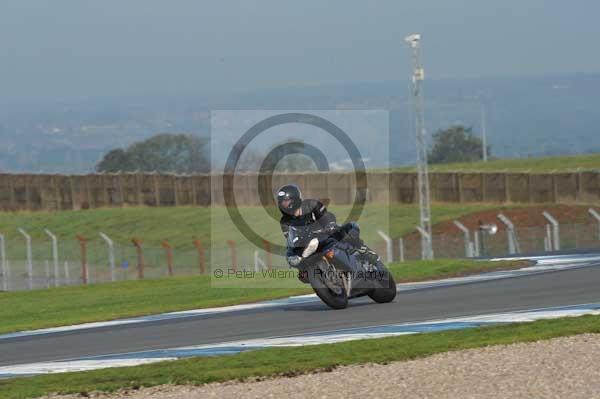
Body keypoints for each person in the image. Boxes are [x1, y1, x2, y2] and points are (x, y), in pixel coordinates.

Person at [276, 184, 378, 281]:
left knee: (349, 229)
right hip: (310, 245)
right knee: (302, 274)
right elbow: (290, 237)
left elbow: (326, 216)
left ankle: (364, 251)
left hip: (326, 234)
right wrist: (291, 252)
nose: (283, 205)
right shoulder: (285, 221)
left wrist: (329, 225)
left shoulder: (311, 204)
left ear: (295, 199)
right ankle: (327, 280)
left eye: (286, 201)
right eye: (281, 202)